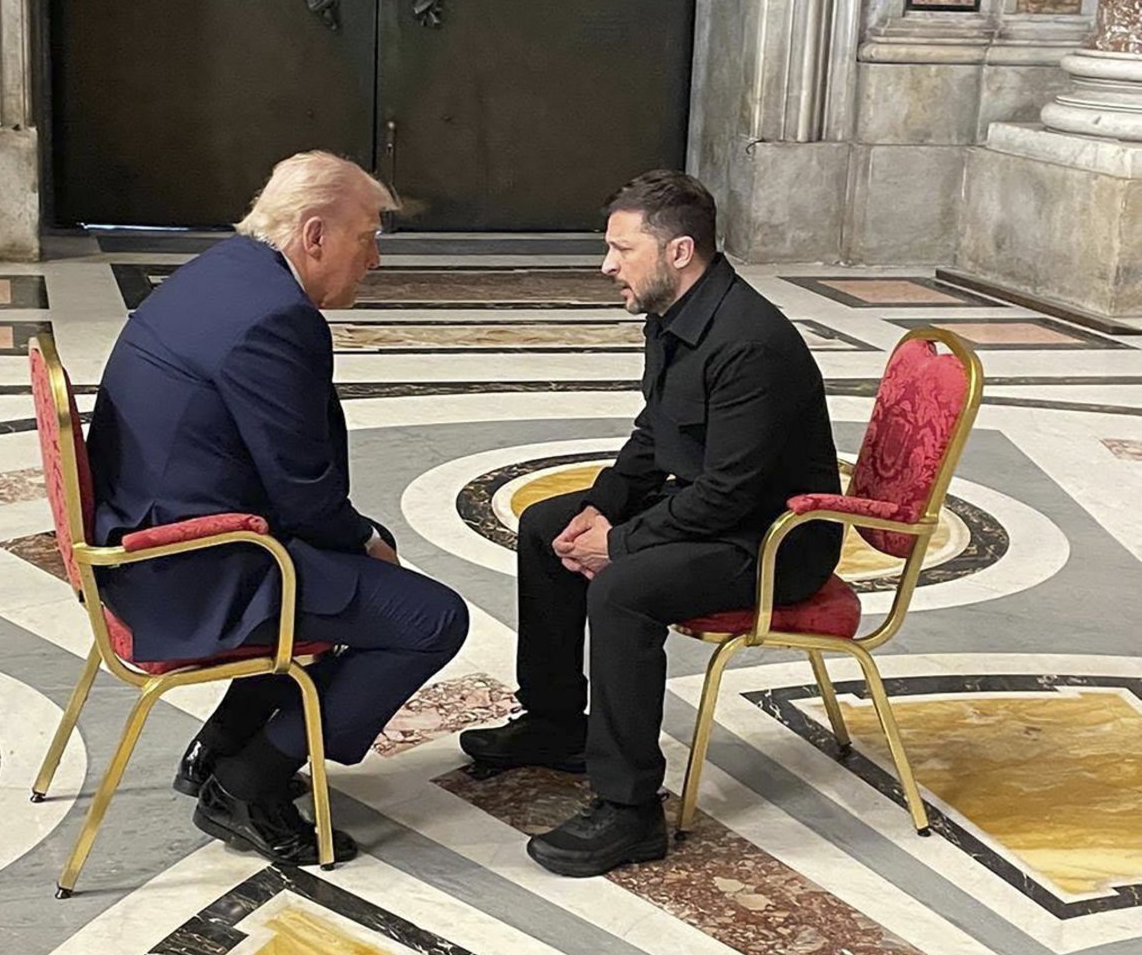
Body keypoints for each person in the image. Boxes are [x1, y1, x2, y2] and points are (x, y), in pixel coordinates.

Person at [88, 151, 469, 867]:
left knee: (359, 573)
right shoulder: (274, 317)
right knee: (430, 619)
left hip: (146, 538)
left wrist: (356, 539)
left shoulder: (221, 273)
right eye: (366, 238)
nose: (374, 259)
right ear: (315, 234)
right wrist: (363, 542)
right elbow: (302, 489)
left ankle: (223, 745)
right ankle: (247, 783)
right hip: (191, 567)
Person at [459, 169, 843, 878]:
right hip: (714, 510)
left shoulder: (749, 344)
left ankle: (630, 809)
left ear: (679, 251)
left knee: (623, 589)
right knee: (546, 525)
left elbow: (730, 494)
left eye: (621, 249)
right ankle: (555, 724)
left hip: (773, 541)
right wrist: (602, 507)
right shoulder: (674, 314)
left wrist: (621, 543)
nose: (607, 266)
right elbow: (655, 431)